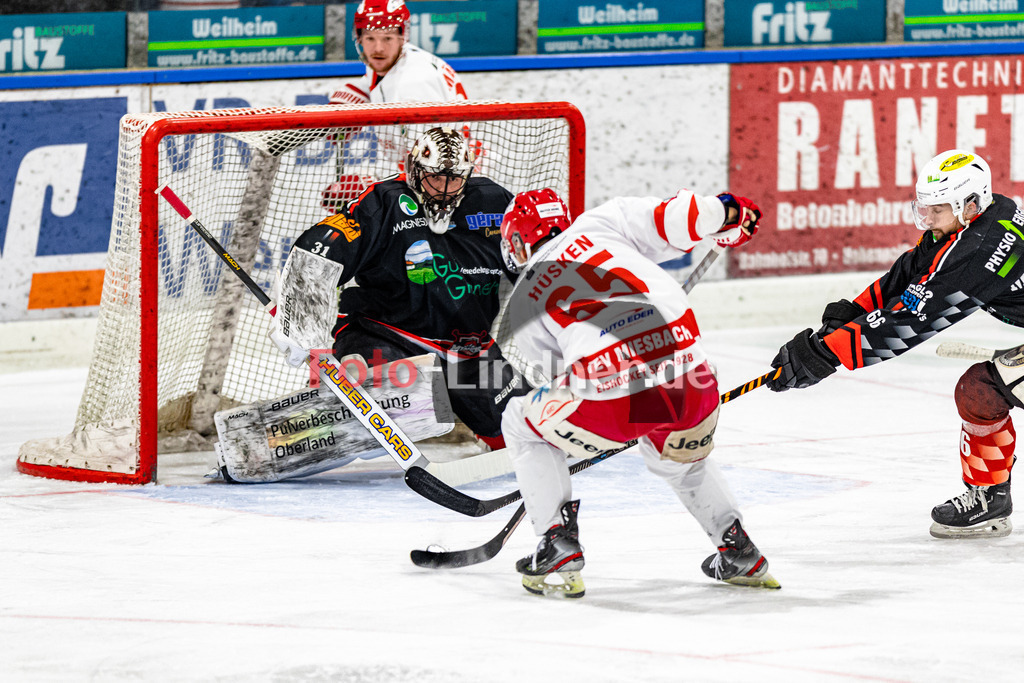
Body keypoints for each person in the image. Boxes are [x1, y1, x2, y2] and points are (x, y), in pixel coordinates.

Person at [496, 187, 778, 598]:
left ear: (518, 242)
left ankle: (555, 538)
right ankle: (737, 548)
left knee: (520, 423)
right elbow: (684, 215)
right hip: (695, 381)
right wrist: (727, 214)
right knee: (679, 460)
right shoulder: (602, 221)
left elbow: (563, 384)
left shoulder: (522, 304)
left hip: (612, 399)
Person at [764, 149, 1023, 539]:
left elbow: (909, 321)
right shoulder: (984, 216)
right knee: (980, 393)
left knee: (982, 390)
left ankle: (988, 498)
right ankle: (989, 496)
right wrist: (854, 311)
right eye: (925, 209)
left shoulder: (979, 253)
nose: (929, 220)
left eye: (938, 210)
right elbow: (914, 271)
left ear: (969, 205)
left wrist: (823, 354)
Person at [272, 126, 524, 455]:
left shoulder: (494, 202)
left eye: (455, 179)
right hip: (387, 335)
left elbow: (533, 263)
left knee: (525, 426)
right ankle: (304, 429)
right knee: (384, 391)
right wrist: (298, 317)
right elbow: (320, 248)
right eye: (435, 178)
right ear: (415, 169)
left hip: (467, 349)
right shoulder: (385, 202)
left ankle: (493, 428)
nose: (444, 190)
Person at [323, 0, 469, 210]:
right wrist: (355, 96)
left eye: (387, 39)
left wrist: (370, 188)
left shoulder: (413, 86)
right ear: (359, 38)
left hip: (454, 188)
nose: (378, 48)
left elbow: (432, 169)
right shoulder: (396, 59)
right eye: (370, 38)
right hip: (442, 178)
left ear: (402, 36)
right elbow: (379, 82)